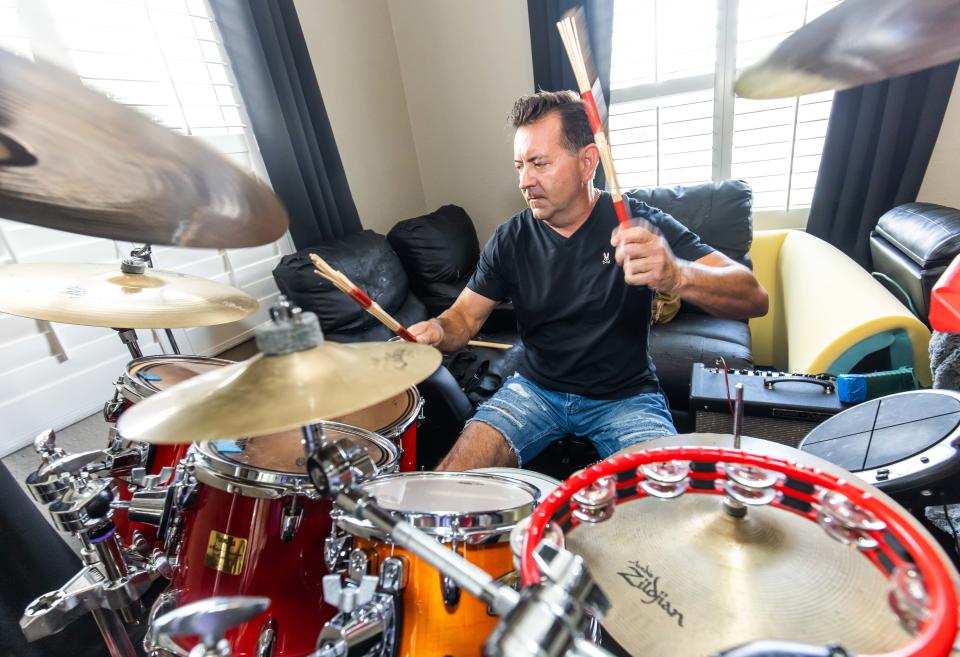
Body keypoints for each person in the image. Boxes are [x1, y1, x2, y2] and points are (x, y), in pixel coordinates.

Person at [408, 90, 768, 471]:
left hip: (626, 398)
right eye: (519, 166)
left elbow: (753, 297)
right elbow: (463, 318)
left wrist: (678, 274)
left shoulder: (636, 221)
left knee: (667, 497)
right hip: (534, 389)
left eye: (539, 164)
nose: (524, 181)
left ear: (587, 163)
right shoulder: (510, 239)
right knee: (452, 480)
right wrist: (436, 329)